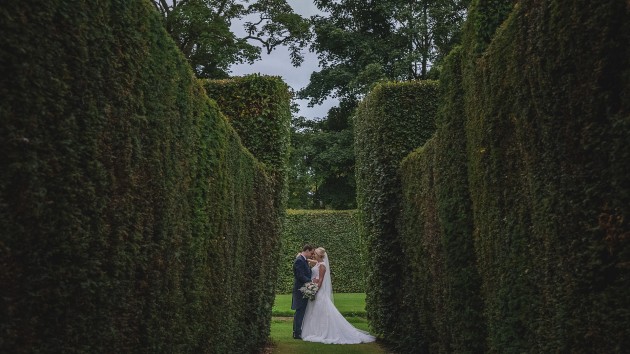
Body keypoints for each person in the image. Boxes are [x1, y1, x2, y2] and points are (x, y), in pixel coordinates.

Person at [300, 247, 376, 344]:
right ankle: (313, 330)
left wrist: (314, 290)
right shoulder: (318, 263)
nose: (313, 255)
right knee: (314, 311)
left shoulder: (322, 266)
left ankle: (322, 332)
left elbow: (321, 280)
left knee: (321, 312)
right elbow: (313, 265)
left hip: (318, 291)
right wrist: (304, 258)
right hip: (314, 288)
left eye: (315, 254)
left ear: (319, 256)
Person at [292, 244, 315, 339]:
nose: (312, 255)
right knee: (300, 311)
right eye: (311, 253)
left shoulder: (303, 260)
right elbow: (300, 276)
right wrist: (311, 282)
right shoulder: (299, 261)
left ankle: (297, 331)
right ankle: (296, 333)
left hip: (304, 289)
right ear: (306, 250)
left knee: (301, 311)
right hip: (300, 290)